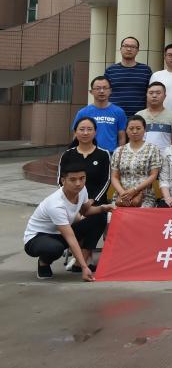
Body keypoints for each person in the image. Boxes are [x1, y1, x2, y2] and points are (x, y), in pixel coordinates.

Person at [24, 160, 115, 281]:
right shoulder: (56, 204)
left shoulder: (82, 190)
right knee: (54, 248)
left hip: (60, 233)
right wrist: (85, 267)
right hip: (37, 238)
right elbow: (70, 237)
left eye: (82, 178)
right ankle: (43, 262)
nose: (78, 183)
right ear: (63, 181)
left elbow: (85, 211)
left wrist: (103, 208)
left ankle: (81, 261)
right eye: (73, 179)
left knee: (99, 217)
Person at [57, 118, 111, 271]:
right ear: (75, 132)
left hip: (96, 201)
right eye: (81, 129)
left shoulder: (103, 154)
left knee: (98, 217)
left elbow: (106, 180)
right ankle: (83, 259)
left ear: (95, 132)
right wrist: (76, 202)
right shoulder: (68, 155)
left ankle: (82, 259)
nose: (85, 133)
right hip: (72, 202)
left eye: (89, 129)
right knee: (77, 220)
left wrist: (92, 200)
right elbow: (60, 180)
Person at [110, 115, 161, 208]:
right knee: (113, 216)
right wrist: (123, 193)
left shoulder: (153, 149)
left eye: (138, 128)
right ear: (126, 130)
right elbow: (114, 176)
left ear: (144, 130)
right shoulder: (118, 151)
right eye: (131, 128)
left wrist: (135, 190)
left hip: (145, 197)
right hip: (121, 196)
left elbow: (153, 175)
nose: (134, 131)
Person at [73, 75, 127, 152]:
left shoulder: (119, 112)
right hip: (88, 154)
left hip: (111, 154)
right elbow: (76, 136)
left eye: (105, 88)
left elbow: (122, 137)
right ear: (91, 92)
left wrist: (119, 155)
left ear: (110, 91)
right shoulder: (83, 113)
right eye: (98, 88)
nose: (101, 91)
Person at [104, 36, 153, 116]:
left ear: (137, 51)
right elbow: (105, 93)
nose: (129, 49)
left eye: (133, 47)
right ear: (120, 49)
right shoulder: (110, 70)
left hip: (139, 117)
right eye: (126, 46)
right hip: (114, 116)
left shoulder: (146, 70)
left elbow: (150, 93)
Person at [138, 81, 172, 151]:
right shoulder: (139, 116)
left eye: (158, 93)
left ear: (165, 96)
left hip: (165, 156)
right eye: (151, 93)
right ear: (146, 95)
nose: (154, 96)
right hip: (142, 156)